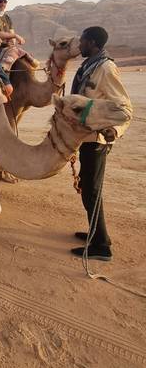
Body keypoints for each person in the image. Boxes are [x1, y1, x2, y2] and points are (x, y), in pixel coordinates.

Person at [70, 26, 132, 261]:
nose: (80, 44)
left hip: (97, 139)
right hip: (85, 137)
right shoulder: (89, 66)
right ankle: (95, 234)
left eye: (83, 40)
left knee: (92, 191)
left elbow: (125, 108)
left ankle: (102, 246)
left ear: (93, 43)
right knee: (87, 189)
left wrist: (114, 131)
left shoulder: (106, 68)